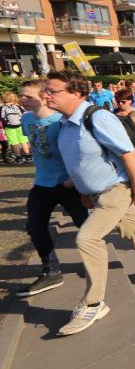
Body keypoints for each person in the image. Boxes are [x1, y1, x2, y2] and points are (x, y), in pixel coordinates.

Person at [45, 70, 135, 336]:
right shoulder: (64, 124)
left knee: (87, 238)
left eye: (52, 91)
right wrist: (83, 190)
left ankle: (93, 303)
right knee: (131, 232)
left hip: (116, 189)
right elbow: (79, 161)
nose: (48, 95)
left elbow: (128, 155)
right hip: (96, 193)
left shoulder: (98, 117)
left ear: (75, 93)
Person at [15, 80, 89, 297]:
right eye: (21, 95)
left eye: (28, 96)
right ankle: (51, 271)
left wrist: (75, 180)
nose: (22, 99)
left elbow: (79, 150)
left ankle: (94, 260)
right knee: (35, 226)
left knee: (84, 225)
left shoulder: (60, 121)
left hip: (67, 184)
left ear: (43, 96)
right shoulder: (26, 119)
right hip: (42, 183)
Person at [1, 91, 31, 163]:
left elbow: (2, 117)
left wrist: (5, 125)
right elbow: (24, 114)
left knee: (14, 142)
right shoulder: (17, 106)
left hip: (9, 127)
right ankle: (28, 156)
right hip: (20, 125)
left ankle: (18, 157)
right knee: (24, 141)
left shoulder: (2, 107)